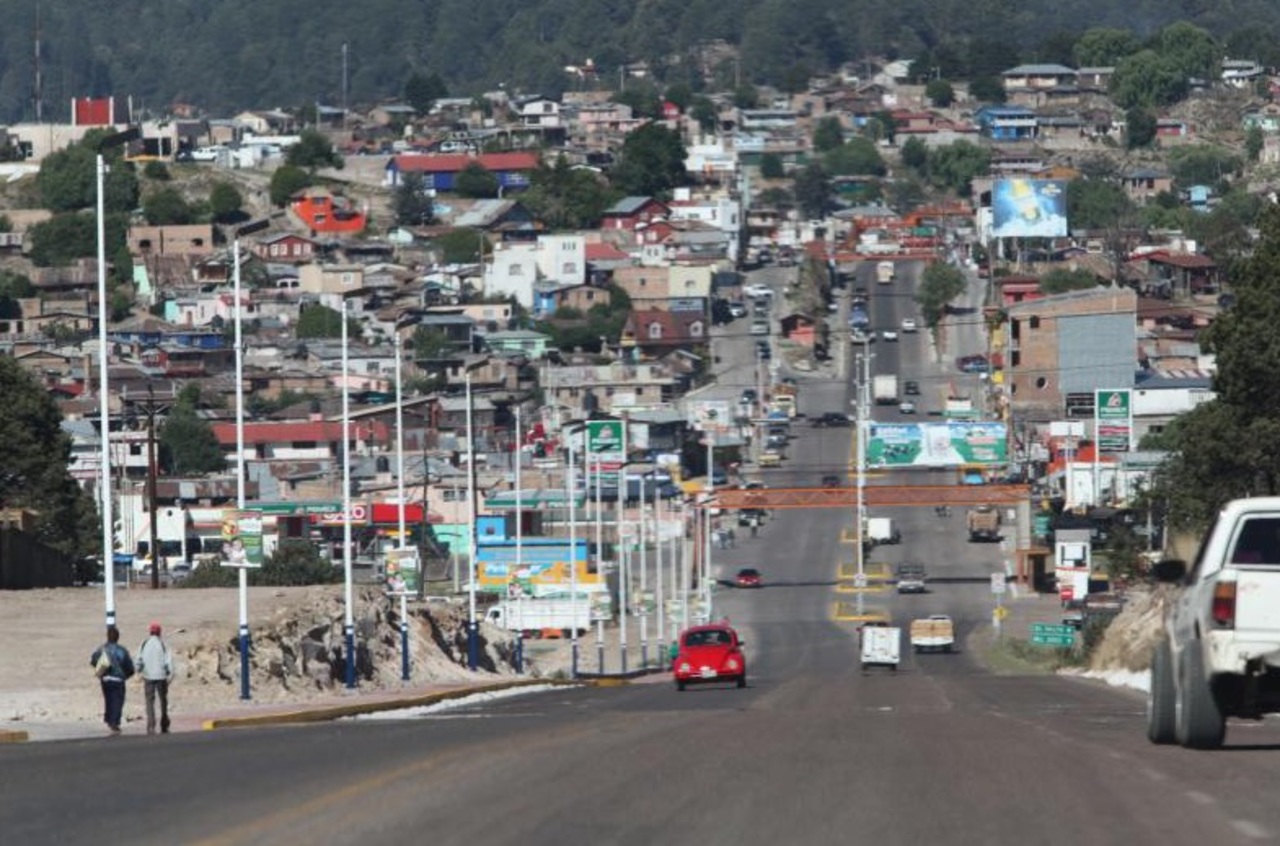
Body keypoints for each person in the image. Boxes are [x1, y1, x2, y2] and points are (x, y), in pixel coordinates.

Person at [90, 626, 135, 734]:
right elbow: (129, 667)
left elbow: (93, 661)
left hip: (105, 679)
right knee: (118, 701)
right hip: (118, 679)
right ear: (117, 637)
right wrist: (126, 676)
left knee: (109, 700)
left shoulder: (101, 649)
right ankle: (114, 722)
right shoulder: (122, 651)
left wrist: (101, 669)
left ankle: (110, 720)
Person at [137, 621, 174, 735]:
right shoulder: (163, 644)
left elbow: (139, 660)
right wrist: (170, 675)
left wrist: (139, 671)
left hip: (148, 676)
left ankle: (151, 725)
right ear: (159, 633)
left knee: (149, 701)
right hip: (161, 676)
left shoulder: (144, 644)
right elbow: (168, 662)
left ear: (150, 632)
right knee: (163, 701)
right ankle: (164, 724)